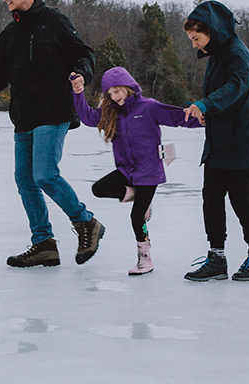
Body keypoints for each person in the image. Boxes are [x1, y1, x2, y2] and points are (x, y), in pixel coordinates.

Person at [0, 0, 103, 268]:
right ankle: (44, 243)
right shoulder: (10, 33)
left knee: (44, 174)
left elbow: (84, 53)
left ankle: (86, 222)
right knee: (25, 180)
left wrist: (81, 75)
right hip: (24, 116)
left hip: (53, 110)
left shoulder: (54, 21)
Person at [71, 67, 202, 276]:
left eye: (116, 91)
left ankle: (145, 258)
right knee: (99, 189)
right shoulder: (112, 112)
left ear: (127, 86)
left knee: (136, 216)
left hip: (149, 172)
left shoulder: (149, 107)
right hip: (127, 170)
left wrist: (206, 120)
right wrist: (78, 93)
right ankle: (137, 196)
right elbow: (88, 118)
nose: (114, 97)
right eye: (110, 94)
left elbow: (177, 117)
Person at [181, 0, 249, 282]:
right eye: (192, 40)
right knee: (211, 199)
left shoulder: (237, 53)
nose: (195, 45)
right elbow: (222, 95)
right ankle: (217, 257)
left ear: (211, 31)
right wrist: (208, 114)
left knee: (243, 201)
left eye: (196, 38)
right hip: (219, 141)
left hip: (242, 141)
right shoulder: (217, 54)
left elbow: (236, 88)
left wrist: (206, 105)